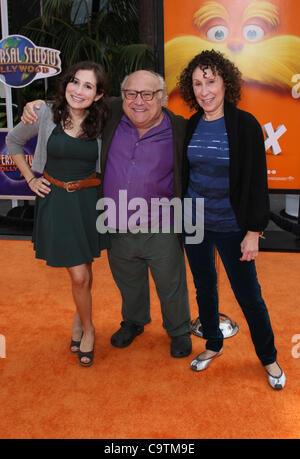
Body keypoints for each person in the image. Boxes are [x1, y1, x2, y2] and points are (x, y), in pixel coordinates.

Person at [21, 70, 192, 359]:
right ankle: (134, 321)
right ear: (119, 97)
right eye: (131, 94)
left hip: (161, 222)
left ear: (161, 98)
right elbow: (77, 99)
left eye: (147, 94)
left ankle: (178, 330)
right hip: (115, 219)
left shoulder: (179, 129)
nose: (139, 101)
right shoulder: (108, 116)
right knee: (128, 280)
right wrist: (39, 104)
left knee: (170, 282)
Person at [178, 49, 286, 389]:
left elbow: (257, 183)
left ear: (226, 83)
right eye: (197, 83)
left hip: (231, 225)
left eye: (210, 81)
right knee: (204, 289)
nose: (204, 90)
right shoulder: (192, 123)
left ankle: (268, 356)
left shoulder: (245, 125)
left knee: (248, 295)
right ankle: (213, 344)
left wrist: (253, 231)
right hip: (194, 222)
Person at [6, 61, 110, 367]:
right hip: (57, 201)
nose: (78, 91)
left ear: (99, 94)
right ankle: (89, 328)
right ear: (65, 83)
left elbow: (136, 99)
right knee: (79, 275)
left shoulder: (105, 118)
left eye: (88, 86)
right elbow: (13, 141)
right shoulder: (46, 113)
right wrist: (29, 178)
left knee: (84, 268)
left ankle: (80, 319)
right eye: (74, 82)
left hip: (89, 202)